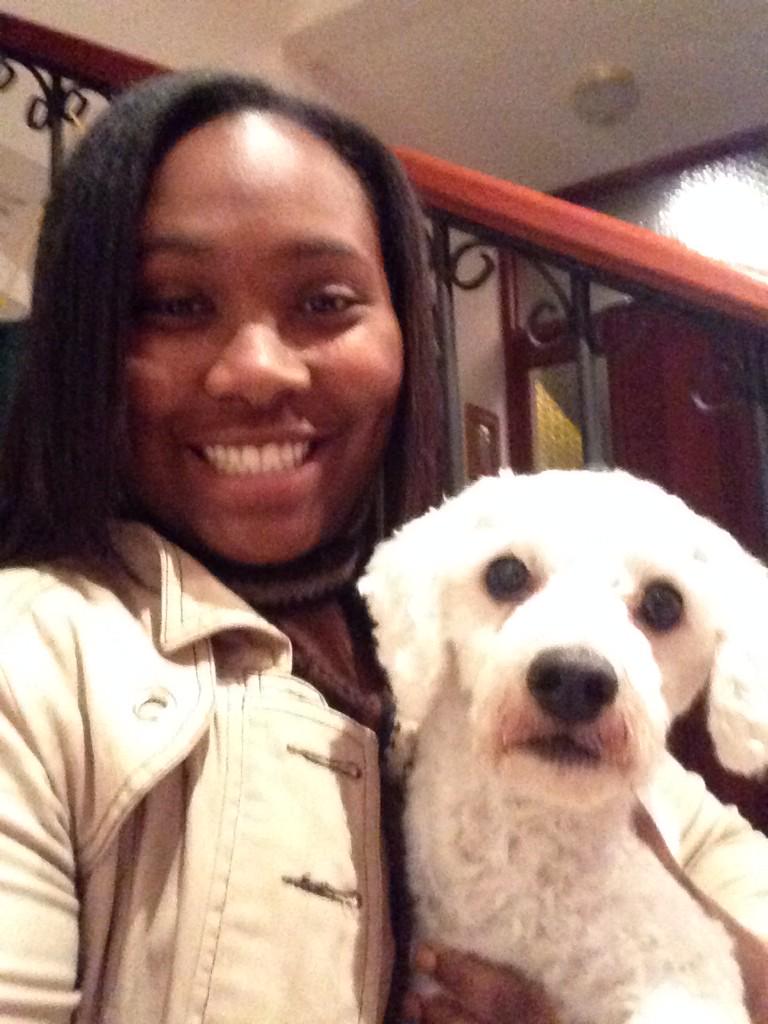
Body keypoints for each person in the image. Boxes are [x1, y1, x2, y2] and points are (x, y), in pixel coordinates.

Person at [0, 70, 765, 1024]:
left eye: (324, 302)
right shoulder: (33, 663)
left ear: (406, 333)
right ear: (86, 339)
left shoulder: (470, 634)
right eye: (175, 305)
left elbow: (724, 885)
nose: (258, 371)